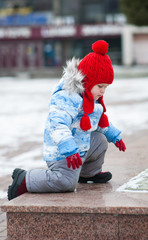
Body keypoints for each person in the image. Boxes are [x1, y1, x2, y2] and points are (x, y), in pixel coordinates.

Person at [8, 40, 126, 201]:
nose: (103, 91)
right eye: (100, 86)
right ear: (88, 81)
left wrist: (114, 135)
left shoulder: (92, 99)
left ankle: (87, 174)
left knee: (100, 140)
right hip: (62, 152)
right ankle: (25, 179)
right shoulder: (67, 97)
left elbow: (97, 123)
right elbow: (57, 125)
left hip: (80, 149)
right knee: (65, 183)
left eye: (106, 86)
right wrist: (68, 148)